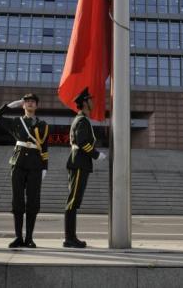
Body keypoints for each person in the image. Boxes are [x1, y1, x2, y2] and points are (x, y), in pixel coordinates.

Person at [0, 93, 49, 248]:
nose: (30, 103)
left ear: (37, 105)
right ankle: (18, 237)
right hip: (18, 163)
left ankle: (29, 238)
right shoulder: (16, 122)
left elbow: (44, 148)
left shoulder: (43, 125)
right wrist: (10, 105)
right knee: (17, 201)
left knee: (33, 202)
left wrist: (44, 167)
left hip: (35, 165)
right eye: (27, 101)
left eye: (33, 101)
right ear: (23, 105)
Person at [63, 87, 107, 248]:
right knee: (73, 202)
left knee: (74, 201)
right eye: (90, 100)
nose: (93, 102)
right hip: (79, 163)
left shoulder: (82, 119)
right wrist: (96, 154)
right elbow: (82, 142)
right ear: (84, 103)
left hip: (80, 162)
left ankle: (71, 237)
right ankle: (69, 238)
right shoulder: (82, 120)